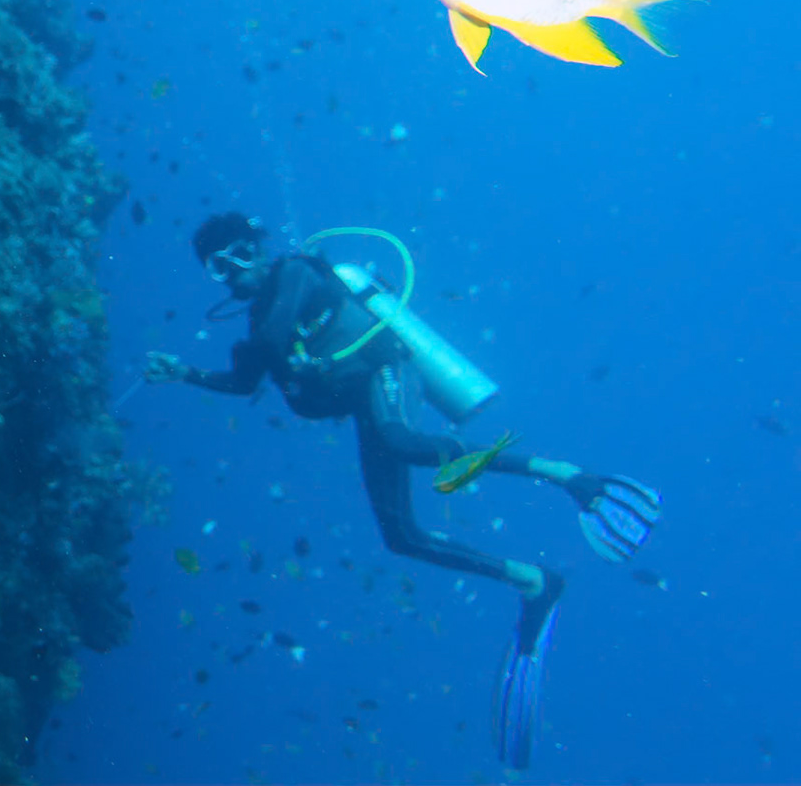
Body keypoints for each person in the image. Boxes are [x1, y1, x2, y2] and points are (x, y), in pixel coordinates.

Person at [145, 212, 661, 769]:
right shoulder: (259, 320)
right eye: (215, 267)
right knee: (401, 536)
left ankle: (563, 473)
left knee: (404, 440)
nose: (230, 274)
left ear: (256, 248)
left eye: (236, 256)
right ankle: (535, 582)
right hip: (363, 406)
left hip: (386, 372)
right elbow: (244, 382)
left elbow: (268, 344)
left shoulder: (293, 272)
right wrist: (185, 373)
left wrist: (259, 349)